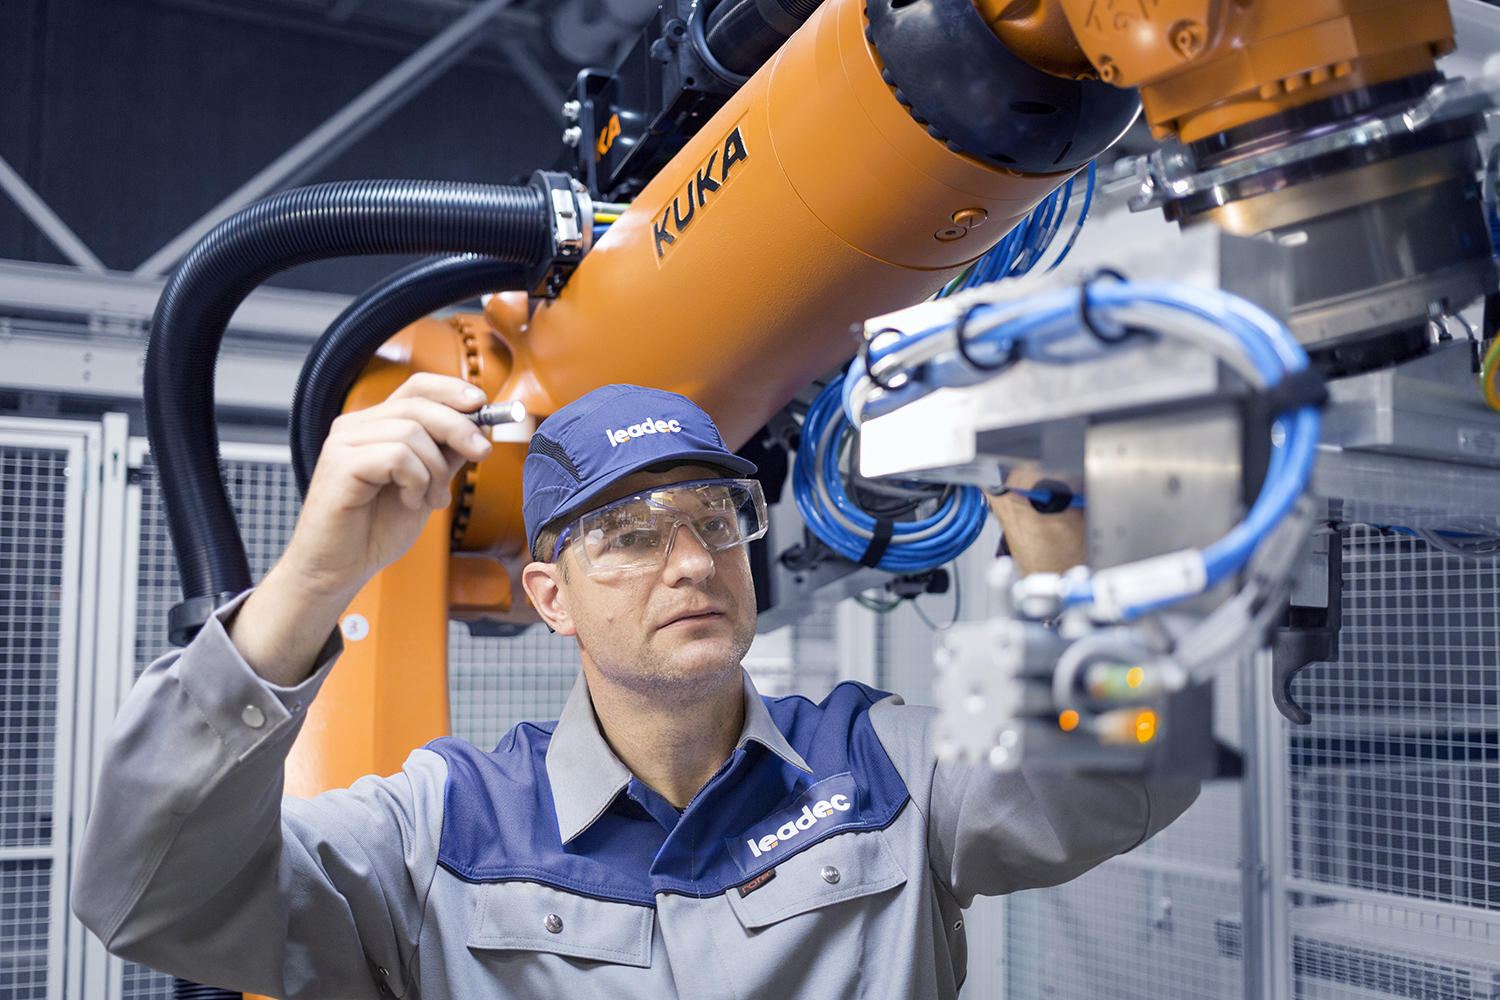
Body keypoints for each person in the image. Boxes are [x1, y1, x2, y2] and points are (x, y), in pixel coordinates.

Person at [73, 375, 1198, 999]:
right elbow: (148, 896)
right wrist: (311, 576)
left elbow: (1119, 779)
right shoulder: (441, 826)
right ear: (550, 596)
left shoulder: (883, 766)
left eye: (716, 518)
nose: (696, 560)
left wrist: (1069, 555)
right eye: (629, 535)